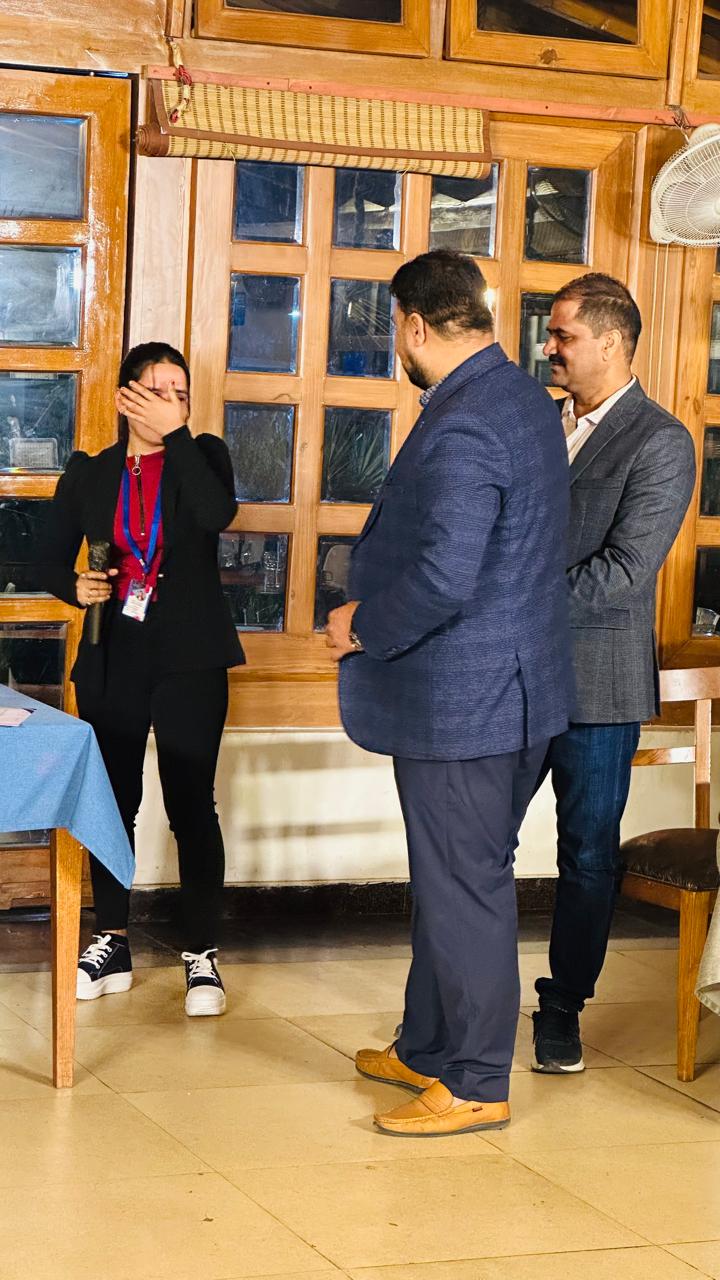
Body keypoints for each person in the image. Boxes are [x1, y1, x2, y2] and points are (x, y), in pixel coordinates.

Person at [325, 250, 573, 1136]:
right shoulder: (522, 399)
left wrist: (360, 625)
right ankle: (428, 1049)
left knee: (465, 886)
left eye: (397, 329)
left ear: (415, 325)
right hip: (516, 692)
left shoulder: (465, 420)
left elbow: (443, 577)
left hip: (465, 704)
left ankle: (474, 1081)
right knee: (453, 878)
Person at [40, 342, 244, 1016]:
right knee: (112, 802)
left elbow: (216, 515)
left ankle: (201, 953)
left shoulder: (203, 455)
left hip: (191, 657)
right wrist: (74, 586)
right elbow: (45, 559)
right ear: (126, 396)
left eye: (180, 393)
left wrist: (175, 435)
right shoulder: (91, 472)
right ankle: (112, 940)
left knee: (192, 805)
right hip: (113, 656)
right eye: (157, 391)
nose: (171, 403)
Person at [530, 274, 696, 1073]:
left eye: (562, 335)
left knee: (588, 856)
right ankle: (452, 1007)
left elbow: (625, 572)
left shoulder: (660, 440)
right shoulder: (533, 423)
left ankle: (562, 1010)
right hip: (509, 679)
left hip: (598, 688)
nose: (548, 348)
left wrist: (507, 603)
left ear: (610, 341)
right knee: (474, 842)